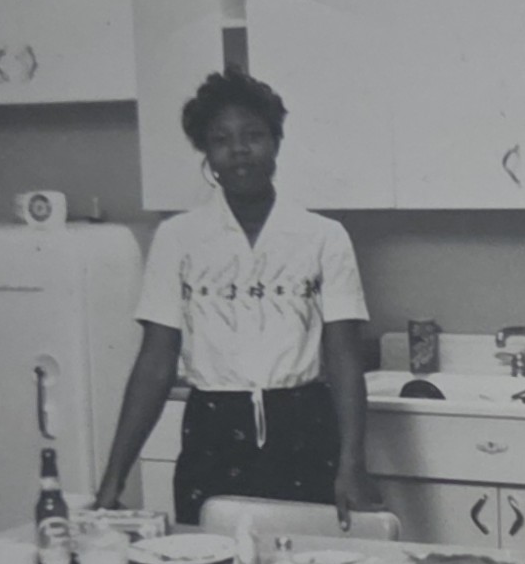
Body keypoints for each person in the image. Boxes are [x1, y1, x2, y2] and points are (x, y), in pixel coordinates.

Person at [94, 66, 382, 529]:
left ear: (276, 143)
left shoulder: (323, 237)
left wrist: (352, 463)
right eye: (221, 139)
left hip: (305, 429)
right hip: (212, 433)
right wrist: (114, 478)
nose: (239, 150)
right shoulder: (178, 239)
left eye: (253, 135)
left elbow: (344, 357)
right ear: (206, 153)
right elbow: (155, 363)